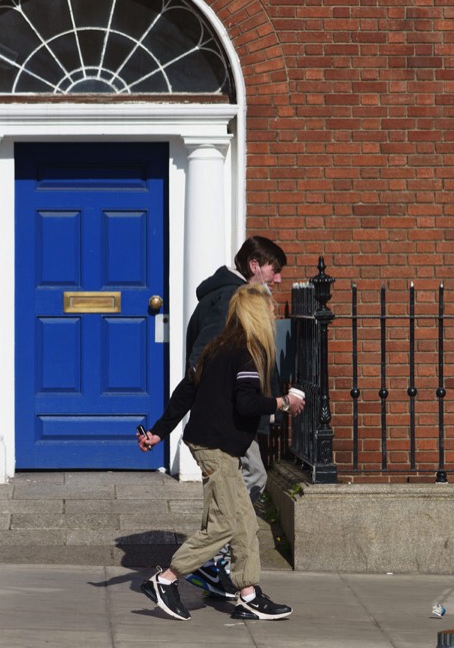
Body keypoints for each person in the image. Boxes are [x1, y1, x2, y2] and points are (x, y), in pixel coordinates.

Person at [138, 283, 306, 621]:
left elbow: (186, 390)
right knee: (225, 524)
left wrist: (158, 431)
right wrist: (284, 402)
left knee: (244, 522)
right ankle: (166, 579)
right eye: (270, 312)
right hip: (215, 447)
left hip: (213, 444)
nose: (272, 317)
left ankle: (248, 593)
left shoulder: (217, 346)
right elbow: (246, 404)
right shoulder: (247, 351)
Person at [179, 236, 287, 599]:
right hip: (225, 420)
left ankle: (227, 573)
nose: (278, 280)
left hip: (225, 415)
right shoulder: (230, 297)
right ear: (255, 264)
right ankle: (208, 564)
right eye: (275, 270)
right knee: (250, 478)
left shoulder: (229, 294)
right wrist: (220, 403)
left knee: (233, 492)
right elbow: (203, 356)